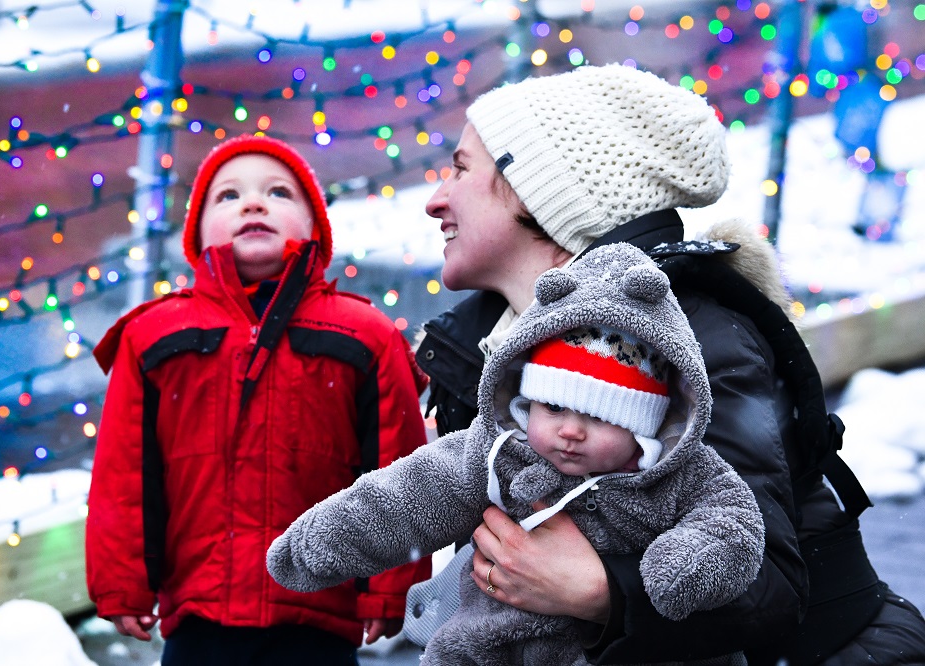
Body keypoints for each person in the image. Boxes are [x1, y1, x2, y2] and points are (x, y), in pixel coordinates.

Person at [412, 63, 925, 665]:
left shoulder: (689, 338)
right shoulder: (488, 347)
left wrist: (604, 590)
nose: (434, 199)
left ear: (542, 193)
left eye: (462, 168)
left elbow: (774, 587)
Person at [267, 242, 765, 665]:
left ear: (651, 421)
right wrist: (328, 540)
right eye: (553, 407)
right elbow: (405, 497)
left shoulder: (685, 475)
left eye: (602, 416)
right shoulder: (496, 452)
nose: (570, 431)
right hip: (487, 646)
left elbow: (732, 522)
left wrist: (683, 566)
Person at [85, 134, 431, 665]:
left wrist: (391, 584)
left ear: (316, 226)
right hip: (200, 615)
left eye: (279, 193)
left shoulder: (366, 334)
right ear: (196, 234)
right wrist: (121, 581)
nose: (253, 203)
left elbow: (396, 468)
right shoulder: (152, 336)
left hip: (318, 613)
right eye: (227, 196)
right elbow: (124, 473)